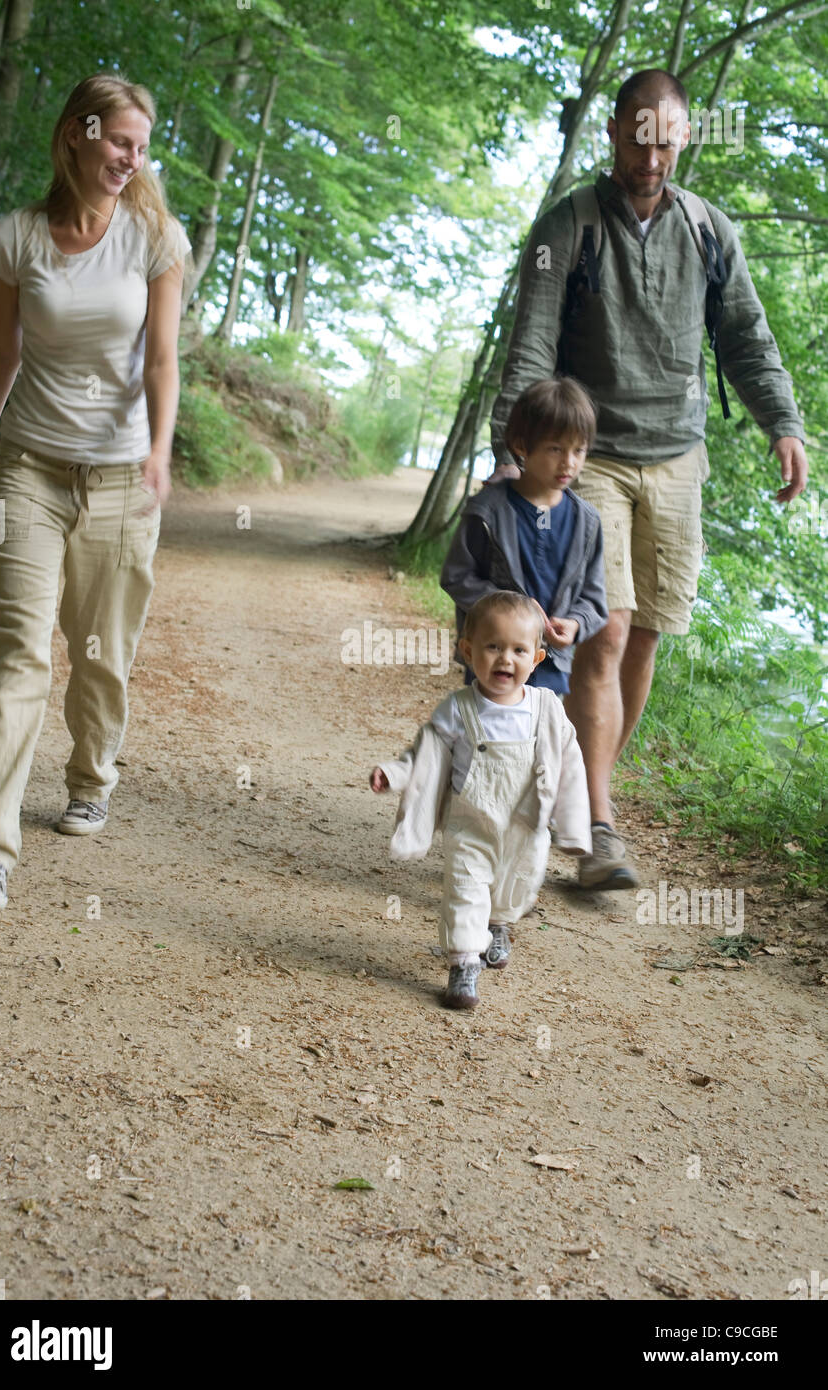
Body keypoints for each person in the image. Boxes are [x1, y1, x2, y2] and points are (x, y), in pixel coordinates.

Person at [486, 68, 808, 891]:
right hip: (583, 460)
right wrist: (509, 449)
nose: (652, 155)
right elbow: (529, 342)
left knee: (645, 640)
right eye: (639, 137)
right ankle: (598, 833)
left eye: (666, 140)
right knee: (607, 632)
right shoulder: (570, 225)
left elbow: (746, 336)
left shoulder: (708, 231)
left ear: (683, 139)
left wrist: (783, 424)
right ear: (614, 134)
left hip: (680, 461)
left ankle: (570, 794)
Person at [0, 73, 191, 915]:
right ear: (77, 136)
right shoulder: (13, 240)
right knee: (18, 644)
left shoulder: (157, 236)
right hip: (28, 466)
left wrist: (159, 453)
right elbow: (3, 349)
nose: (133, 159)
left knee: (100, 648)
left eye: (142, 146)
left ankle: (93, 774)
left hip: (123, 475)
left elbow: (163, 359)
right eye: (120, 142)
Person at [370, 592, 591, 1010]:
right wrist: (395, 774)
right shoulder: (458, 709)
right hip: (470, 824)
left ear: (538, 659)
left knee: (515, 888)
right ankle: (463, 963)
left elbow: (570, 766)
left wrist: (575, 826)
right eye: (493, 647)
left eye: (518, 650)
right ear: (468, 651)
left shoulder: (545, 710)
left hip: (525, 828)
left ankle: (500, 923)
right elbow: (425, 753)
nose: (505, 659)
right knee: (465, 889)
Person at [440, 374, 607, 699]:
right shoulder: (487, 510)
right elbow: (457, 576)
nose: (569, 462)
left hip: (551, 667)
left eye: (579, 450)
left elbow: (594, 598)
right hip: (493, 664)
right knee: (485, 742)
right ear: (521, 446)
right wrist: (514, 608)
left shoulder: (587, 521)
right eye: (555, 448)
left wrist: (575, 625)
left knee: (542, 746)